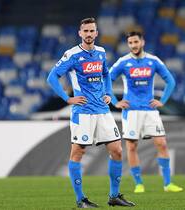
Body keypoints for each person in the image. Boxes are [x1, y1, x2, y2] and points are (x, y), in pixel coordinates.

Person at [47, 17, 135, 208]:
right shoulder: (72, 54)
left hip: (103, 111)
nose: (88, 34)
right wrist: (67, 98)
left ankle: (114, 196)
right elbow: (52, 76)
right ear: (80, 33)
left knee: (117, 151)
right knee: (78, 152)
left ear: (96, 33)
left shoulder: (101, 53)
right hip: (83, 112)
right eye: (85, 31)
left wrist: (108, 94)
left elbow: (106, 74)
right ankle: (81, 200)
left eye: (91, 31)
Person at [109, 31, 183, 193]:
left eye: (136, 42)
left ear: (142, 42)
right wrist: (115, 102)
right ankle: (139, 184)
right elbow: (106, 79)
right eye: (130, 43)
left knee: (162, 144)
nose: (133, 45)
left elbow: (170, 80)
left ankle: (167, 184)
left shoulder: (153, 61)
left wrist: (162, 101)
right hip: (131, 111)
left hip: (150, 110)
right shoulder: (123, 62)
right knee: (132, 146)